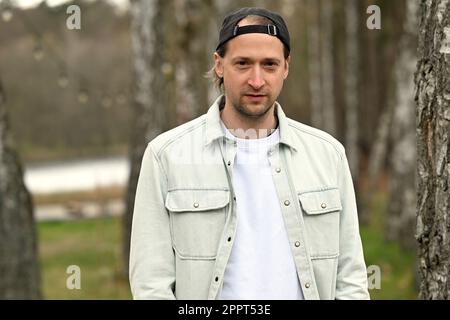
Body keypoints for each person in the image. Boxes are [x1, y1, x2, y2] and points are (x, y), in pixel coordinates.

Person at [129, 7, 370, 300]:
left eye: (269, 65)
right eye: (243, 63)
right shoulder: (166, 156)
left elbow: (351, 278)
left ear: (286, 67)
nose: (257, 80)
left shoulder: (328, 155)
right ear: (219, 65)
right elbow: (151, 285)